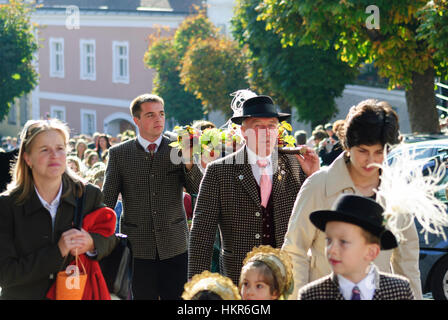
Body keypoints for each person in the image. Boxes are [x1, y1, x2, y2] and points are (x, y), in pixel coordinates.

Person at [282, 99, 422, 299]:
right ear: (348, 146)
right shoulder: (318, 185)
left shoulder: (396, 192)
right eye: (363, 151)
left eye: (379, 152)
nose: (371, 160)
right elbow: (295, 251)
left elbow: (407, 262)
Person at [188, 94, 320, 285]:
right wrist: (197, 282)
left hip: (285, 275)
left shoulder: (295, 164)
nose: (267, 132)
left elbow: (310, 220)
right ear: (243, 131)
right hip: (238, 276)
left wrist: (313, 177)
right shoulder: (219, 171)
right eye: (259, 126)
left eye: (272, 126)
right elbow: (202, 232)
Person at [0, 119, 117, 300]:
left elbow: (110, 238)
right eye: (45, 150)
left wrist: (92, 243)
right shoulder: (6, 205)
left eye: (60, 148)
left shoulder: (87, 195)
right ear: (27, 158)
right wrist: (58, 251)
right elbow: (5, 273)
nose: (54, 156)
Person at [103, 93, 203, 300]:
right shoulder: (119, 154)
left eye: (161, 114)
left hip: (175, 245)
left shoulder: (178, 147)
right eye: (150, 115)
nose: (158, 119)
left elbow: (196, 189)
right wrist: (103, 241)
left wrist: (189, 163)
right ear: (136, 121)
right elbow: (107, 201)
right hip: (137, 248)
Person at [298, 194, 414, 300]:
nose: (332, 250)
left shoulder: (400, 291)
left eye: (343, 242)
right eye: (328, 240)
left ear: (371, 252)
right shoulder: (311, 295)